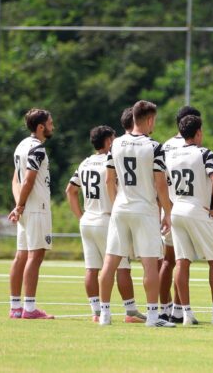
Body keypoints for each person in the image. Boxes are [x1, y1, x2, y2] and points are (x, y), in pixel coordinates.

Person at [98, 100, 175, 327]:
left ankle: (104, 314)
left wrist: (115, 205)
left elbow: (108, 179)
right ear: (150, 119)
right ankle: (153, 316)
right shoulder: (154, 147)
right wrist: (168, 213)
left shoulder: (117, 144)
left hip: (121, 207)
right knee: (150, 263)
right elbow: (161, 185)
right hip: (145, 209)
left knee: (110, 261)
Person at [165, 115, 213, 326]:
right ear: (198, 132)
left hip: (177, 208)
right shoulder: (204, 152)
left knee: (182, 261)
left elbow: (162, 183)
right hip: (198, 210)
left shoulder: (170, 155)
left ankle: (186, 313)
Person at [66, 125, 144, 323]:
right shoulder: (112, 162)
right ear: (108, 142)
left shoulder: (84, 163)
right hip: (107, 219)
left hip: (88, 221)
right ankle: (130, 311)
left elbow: (70, 191)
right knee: (122, 267)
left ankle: (96, 311)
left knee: (91, 268)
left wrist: (80, 216)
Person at [8, 108, 56, 320]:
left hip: (26, 207)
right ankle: (29, 308)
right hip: (36, 208)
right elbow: (27, 179)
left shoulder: (20, 146)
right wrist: (21, 206)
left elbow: (15, 180)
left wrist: (19, 205)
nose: (53, 126)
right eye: (50, 123)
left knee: (21, 256)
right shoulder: (37, 148)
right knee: (35, 256)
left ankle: (15, 307)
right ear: (41, 127)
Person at [159, 105, 201, 322]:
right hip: (186, 206)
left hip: (168, 206)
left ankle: (165, 307)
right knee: (181, 260)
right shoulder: (194, 148)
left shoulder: (164, 145)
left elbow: (158, 180)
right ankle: (177, 308)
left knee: (169, 260)